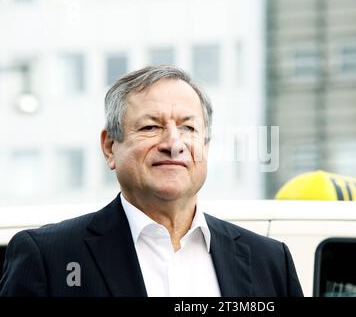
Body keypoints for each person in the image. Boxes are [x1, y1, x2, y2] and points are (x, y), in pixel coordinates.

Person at [0, 65, 303, 297]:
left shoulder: (270, 261)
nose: (173, 143)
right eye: (150, 127)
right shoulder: (50, 257)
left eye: (188, 128)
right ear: (109, 147)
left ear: (205, 147)